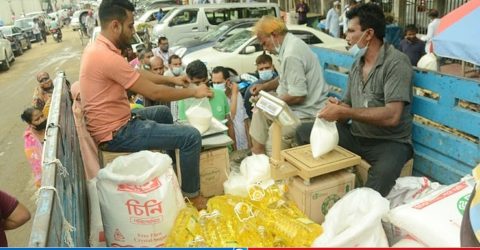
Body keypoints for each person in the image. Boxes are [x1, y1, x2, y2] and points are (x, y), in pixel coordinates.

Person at [79, 0, 213, 209]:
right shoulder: (105, 56)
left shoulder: (100, 47)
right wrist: (195, 91)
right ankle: (192, 197)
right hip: (117, 133)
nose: (133, 32)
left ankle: (172, 173)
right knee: (191, 136)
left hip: (116, 124)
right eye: (130, 26)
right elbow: (154, 92)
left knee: (161, 113)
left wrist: (173, 80)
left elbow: (136, 74)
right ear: (115, 25)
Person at [296, 3, 413, 197]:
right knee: (302, 131)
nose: (346, 37)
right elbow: (348, 105)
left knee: (377, 182)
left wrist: (345, 112)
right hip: (357, 135)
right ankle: (328, 190)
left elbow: (392, 116)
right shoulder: (357, 65)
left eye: (351, 31)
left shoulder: (396, 63)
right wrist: (336, 109)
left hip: (389, 143)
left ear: (368, 34)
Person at [250, 16, 329, 156]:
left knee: (273, 137)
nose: (265, 49)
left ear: (274, 35)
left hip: (306, 112)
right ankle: (257, 154)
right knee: (258, 110)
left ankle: (269, 162)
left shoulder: (291, 53)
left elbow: (298, 95)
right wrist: (264, 87)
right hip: (293, 106)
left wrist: (271, 102)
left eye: (264, 43)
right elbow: (284, 78)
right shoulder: (288, 45)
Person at [211, 66, 249, 150]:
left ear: (227, 81)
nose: (216, 85)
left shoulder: (236, 94)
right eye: (214, 83)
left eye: (219, 83)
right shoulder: (215, 97)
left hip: (243, 140)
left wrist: (250, 143)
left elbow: (244, 118)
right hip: (230, 143)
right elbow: (231, 116)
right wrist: (234, 93)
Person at [244, 53, 279, 119]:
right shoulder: (252, 89)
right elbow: (249, 110)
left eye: (267, 68)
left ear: (273, 67)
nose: (264, 70)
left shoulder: (281, 82)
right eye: (261, 69)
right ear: (257, 70)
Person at [20, 107, 46, 188]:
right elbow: (37, 166)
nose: (41, 120)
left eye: (42, 116)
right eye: (37, 119)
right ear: (30, 123)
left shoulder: (51, 124)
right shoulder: (30, 142)